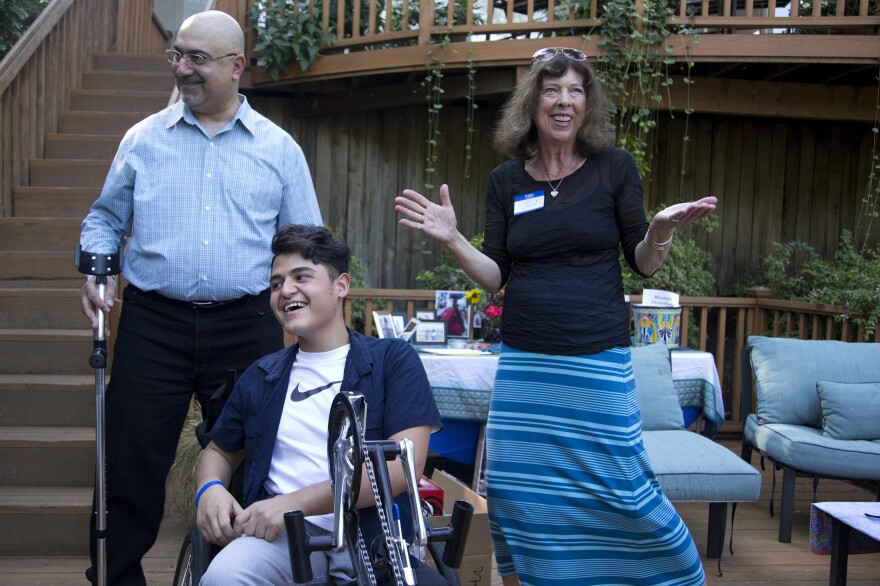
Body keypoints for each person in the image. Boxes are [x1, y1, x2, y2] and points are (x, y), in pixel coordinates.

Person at [395, 46, 717, 585]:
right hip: (526, 361)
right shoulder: (506, 181)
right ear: (533, 103)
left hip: (597, 357)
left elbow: (641, 262)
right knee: (522, 487)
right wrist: (451, 238)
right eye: (552, 90)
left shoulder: (614, 168)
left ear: (587, 105)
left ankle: (672, 575)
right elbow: (496, 273)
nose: (563, 101)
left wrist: (658, 232)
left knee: (620, 484)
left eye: (575, 91)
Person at [77, 11, 323, 585]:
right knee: (128, 462)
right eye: (177, 56)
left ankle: (232, 576)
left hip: (245, 324)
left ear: (237, 66)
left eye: (197, 59)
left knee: (247, 466)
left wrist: (307, 312)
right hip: (152, 322)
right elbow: (104, 219)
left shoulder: (279, 149)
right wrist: (97, 267)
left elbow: (306, 244)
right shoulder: (143, 140)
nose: (182, 69)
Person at [194, 224, 444, 585]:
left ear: (341, 285)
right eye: (277, 282)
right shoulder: (262, 375)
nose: (286, 290)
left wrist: (293, 502)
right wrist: (210, 489)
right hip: (284, 538)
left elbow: (401, 468)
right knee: (223, 577)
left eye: (302, 276)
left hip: (372, 537)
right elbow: (218, 452)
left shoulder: (393, 360)